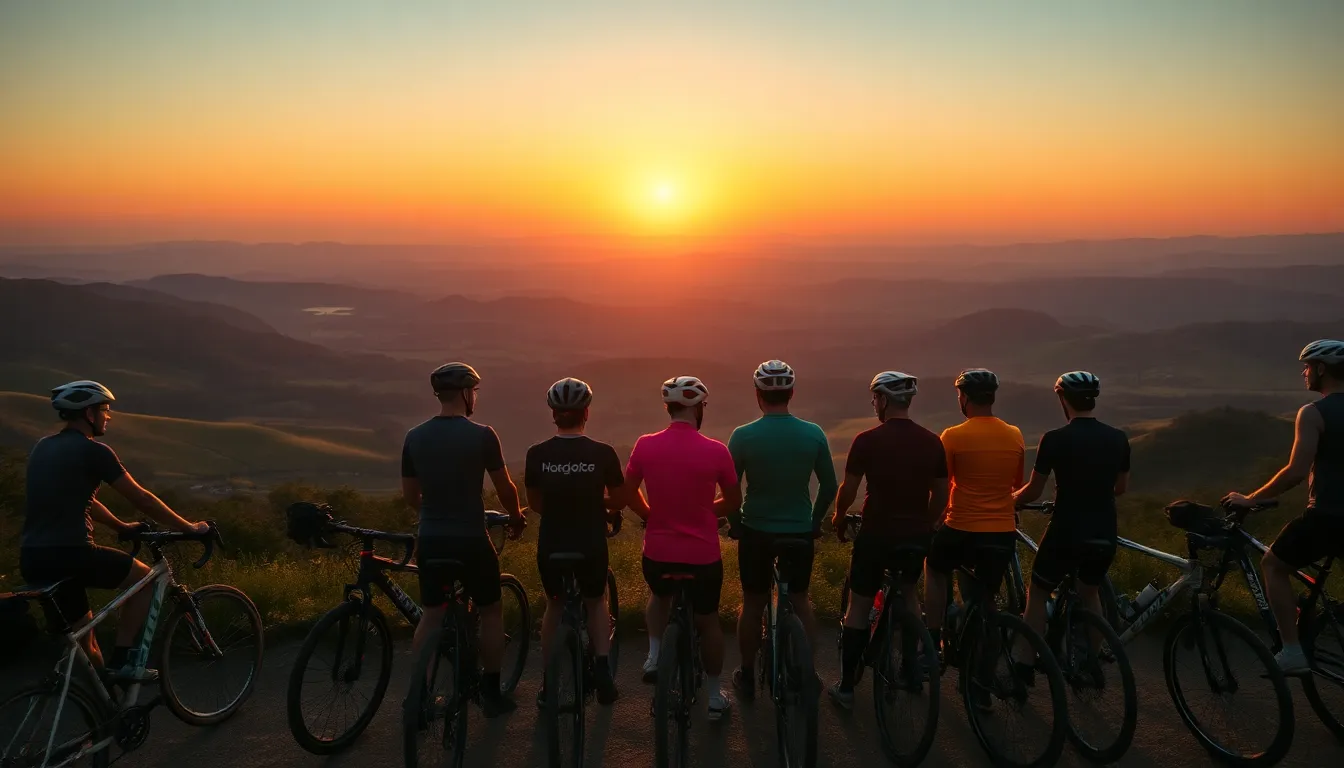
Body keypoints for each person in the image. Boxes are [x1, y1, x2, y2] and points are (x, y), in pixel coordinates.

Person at [20, 380, 209, 681]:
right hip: (72, 553)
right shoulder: (94, 451)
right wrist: (189, 527)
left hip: (33, 557)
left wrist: (120, 526)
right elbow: (141, 498)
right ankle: (123, 661)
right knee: (147, 581)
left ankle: (104, 711)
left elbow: (86, 501)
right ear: (88, 413)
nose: (108, 416)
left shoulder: (43, 447)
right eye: (105, 410)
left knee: (86, 642)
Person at [401, 362, 525, 717]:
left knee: (433, 613)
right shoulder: (483, 435)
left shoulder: (415, 436)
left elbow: (411, 496)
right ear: (468, 394)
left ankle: (418, 694)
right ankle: (490, 690)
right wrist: (516, 517)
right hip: (471, 538)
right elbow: (505, 488)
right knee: (490, 610)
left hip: (432, 539)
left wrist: (435, 509)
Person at [620, 375, 741, 720]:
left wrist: (650, 514)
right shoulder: (717, 450)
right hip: (703, 556)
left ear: (668, 408)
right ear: (700, 408)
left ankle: (655, 654)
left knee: (659, 597)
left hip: (657, 553)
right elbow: (734, 501)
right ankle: (715, 697)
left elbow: (628, 493)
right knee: (708, 621)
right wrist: (705, 512)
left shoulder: (645, 445)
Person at [826, 371, 948, 708]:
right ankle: (912, 668)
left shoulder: (866, 440)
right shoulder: (932, 441)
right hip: (916, 535)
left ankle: (847, 687)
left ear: (882, 400)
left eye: (874, 398)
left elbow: (848, 491)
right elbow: (941, 493)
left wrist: (838, 518)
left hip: (876, 533)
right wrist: (926, 521)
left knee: (859, 604)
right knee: (909, 593)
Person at [1224, 339, 1344, 674]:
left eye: (1307, 367)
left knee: (1274, 565)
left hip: (1329, 517)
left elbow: (1294, 472)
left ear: (1321, 369)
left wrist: (1251, 498)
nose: (1305, 373)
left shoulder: (1314, 413)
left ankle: (1291, 652)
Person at [726, 360, 838, 700]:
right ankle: (807, 670)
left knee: (754, 602)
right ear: (791, 393)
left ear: (759, 395)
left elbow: (732, 490)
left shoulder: (743, 436)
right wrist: (815, 522)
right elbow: (830, 486)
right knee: (801, 599)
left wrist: (735, 525)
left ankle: (746, 675)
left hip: (756, 530)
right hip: (799, 531)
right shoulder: (813, 433)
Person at [1013, 372, 1130, 674]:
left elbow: (1033, 491)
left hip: (1067, 530)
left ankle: (1026, 663)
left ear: (1063, 399)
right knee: (1090, 592)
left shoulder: (1054, 439)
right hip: (1104, 529)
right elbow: (1120, 488)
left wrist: (1009, 500)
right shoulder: (1118, 438)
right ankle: (1091, 659)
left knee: (1038, 592)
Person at [527, 377, 622, 706]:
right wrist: (601, 507)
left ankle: (548, 680)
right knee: (595, 602)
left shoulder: (536, 454)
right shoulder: (604, 453)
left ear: (554, 414)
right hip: (590, 541)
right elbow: (619, 498)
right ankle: (603, 670)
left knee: (554, 604)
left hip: (552, 542)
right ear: (586, 413)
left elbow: (536, 503)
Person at [924, 369, 1024, 661]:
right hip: (1002, 533)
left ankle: (933, 639)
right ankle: (984, 662)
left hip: (962, 527)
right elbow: (1016, 483)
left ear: (964, 398)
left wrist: (931, 520)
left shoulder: (952, 436)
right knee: (986, 597)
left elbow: (943, 486)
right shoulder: (1014, 434)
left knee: (935, 566)